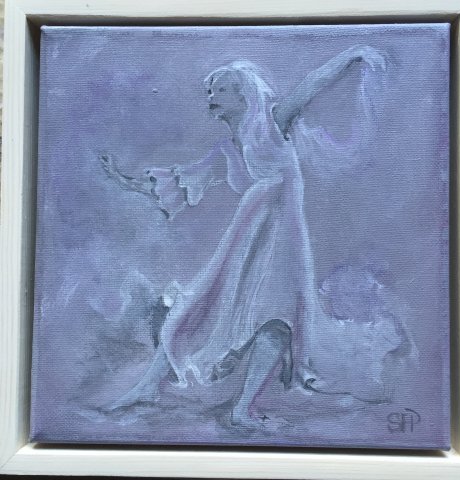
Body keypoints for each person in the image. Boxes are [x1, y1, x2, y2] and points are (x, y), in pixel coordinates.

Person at [100, 45, 407, 427]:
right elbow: (178, 181)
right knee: (200, 305)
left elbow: (313, 83)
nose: (211, 96)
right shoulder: (227, 151)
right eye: (210, 91)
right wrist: (124, 181)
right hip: (248, 240)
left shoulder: (274, 124)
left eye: (220, 89)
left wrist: (353, 55)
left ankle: (243, 408)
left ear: (242, 94)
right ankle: (148, 387)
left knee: (279, 316)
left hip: (284, 241)